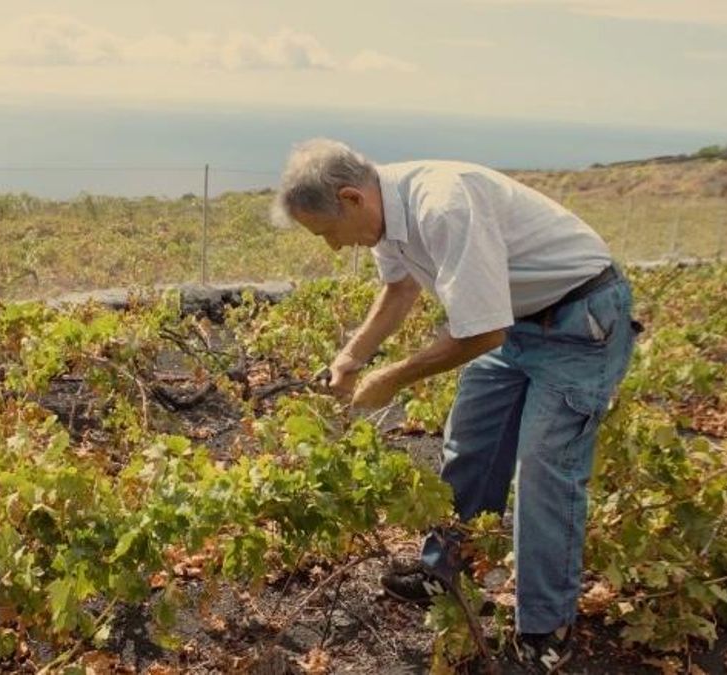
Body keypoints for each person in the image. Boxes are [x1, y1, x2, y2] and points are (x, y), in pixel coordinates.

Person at [272, 138, 639, 673]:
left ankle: (546, 627)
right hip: (518, 324)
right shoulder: (385, 214)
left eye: (327, 233)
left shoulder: (442, 205)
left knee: (544, 472)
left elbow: (482, 333)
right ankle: (443, 570)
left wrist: (392, 378)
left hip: (579, 324)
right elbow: (398, 290)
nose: (332, 247)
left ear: (352, 199)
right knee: (469, 443)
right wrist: (352, 356)